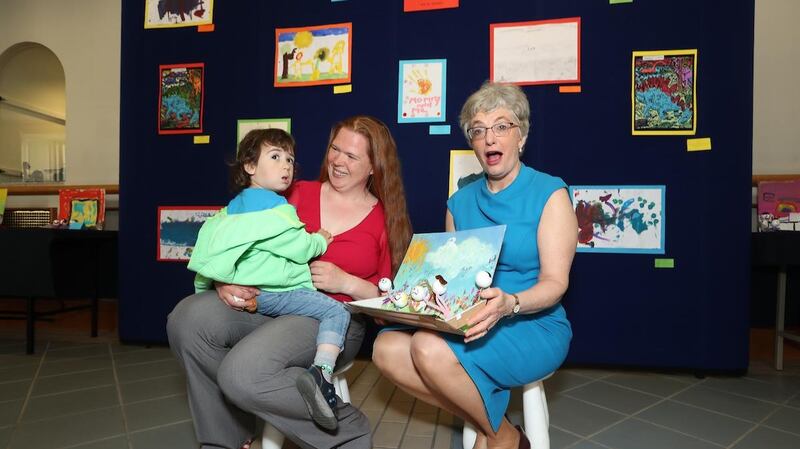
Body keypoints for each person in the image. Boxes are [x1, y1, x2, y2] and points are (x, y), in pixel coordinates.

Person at [168, 116, 412, 449]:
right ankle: (226, 437)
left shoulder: (384, 218)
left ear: (374, 166)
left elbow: (389, 301)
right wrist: (224, 280)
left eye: (352, 156)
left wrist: (347, 282)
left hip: (332, 319)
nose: (338, 160)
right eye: (335, 149)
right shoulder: (292, 192)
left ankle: (349, 432)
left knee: (242, 374)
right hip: (268, 301)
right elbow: (236, 235)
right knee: (187, 319)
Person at [372, 82, 578, 449]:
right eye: (478, 130)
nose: (489, 138)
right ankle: (503, 434)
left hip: (531, 321)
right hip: (470, 319)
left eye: (501, 126)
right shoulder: (459, 202)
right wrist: (413, 300)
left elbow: (555, 282)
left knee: (427, 348)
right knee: (385, 349)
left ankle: (492, 433)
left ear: (521, 136)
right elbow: (452, 284)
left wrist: (510, 303)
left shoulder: (550, 193)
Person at [186, 128, 348, 431]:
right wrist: (320, 239)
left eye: (290, 159)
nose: (286, 165)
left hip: (248, 296)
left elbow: (213, 249)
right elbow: (300, 249)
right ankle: (322, 373)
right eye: (275, 157)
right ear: (249, 166)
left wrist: (208, 285)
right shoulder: (276, 209)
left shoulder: (231, 209)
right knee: (336, 312)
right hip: (277, 293)